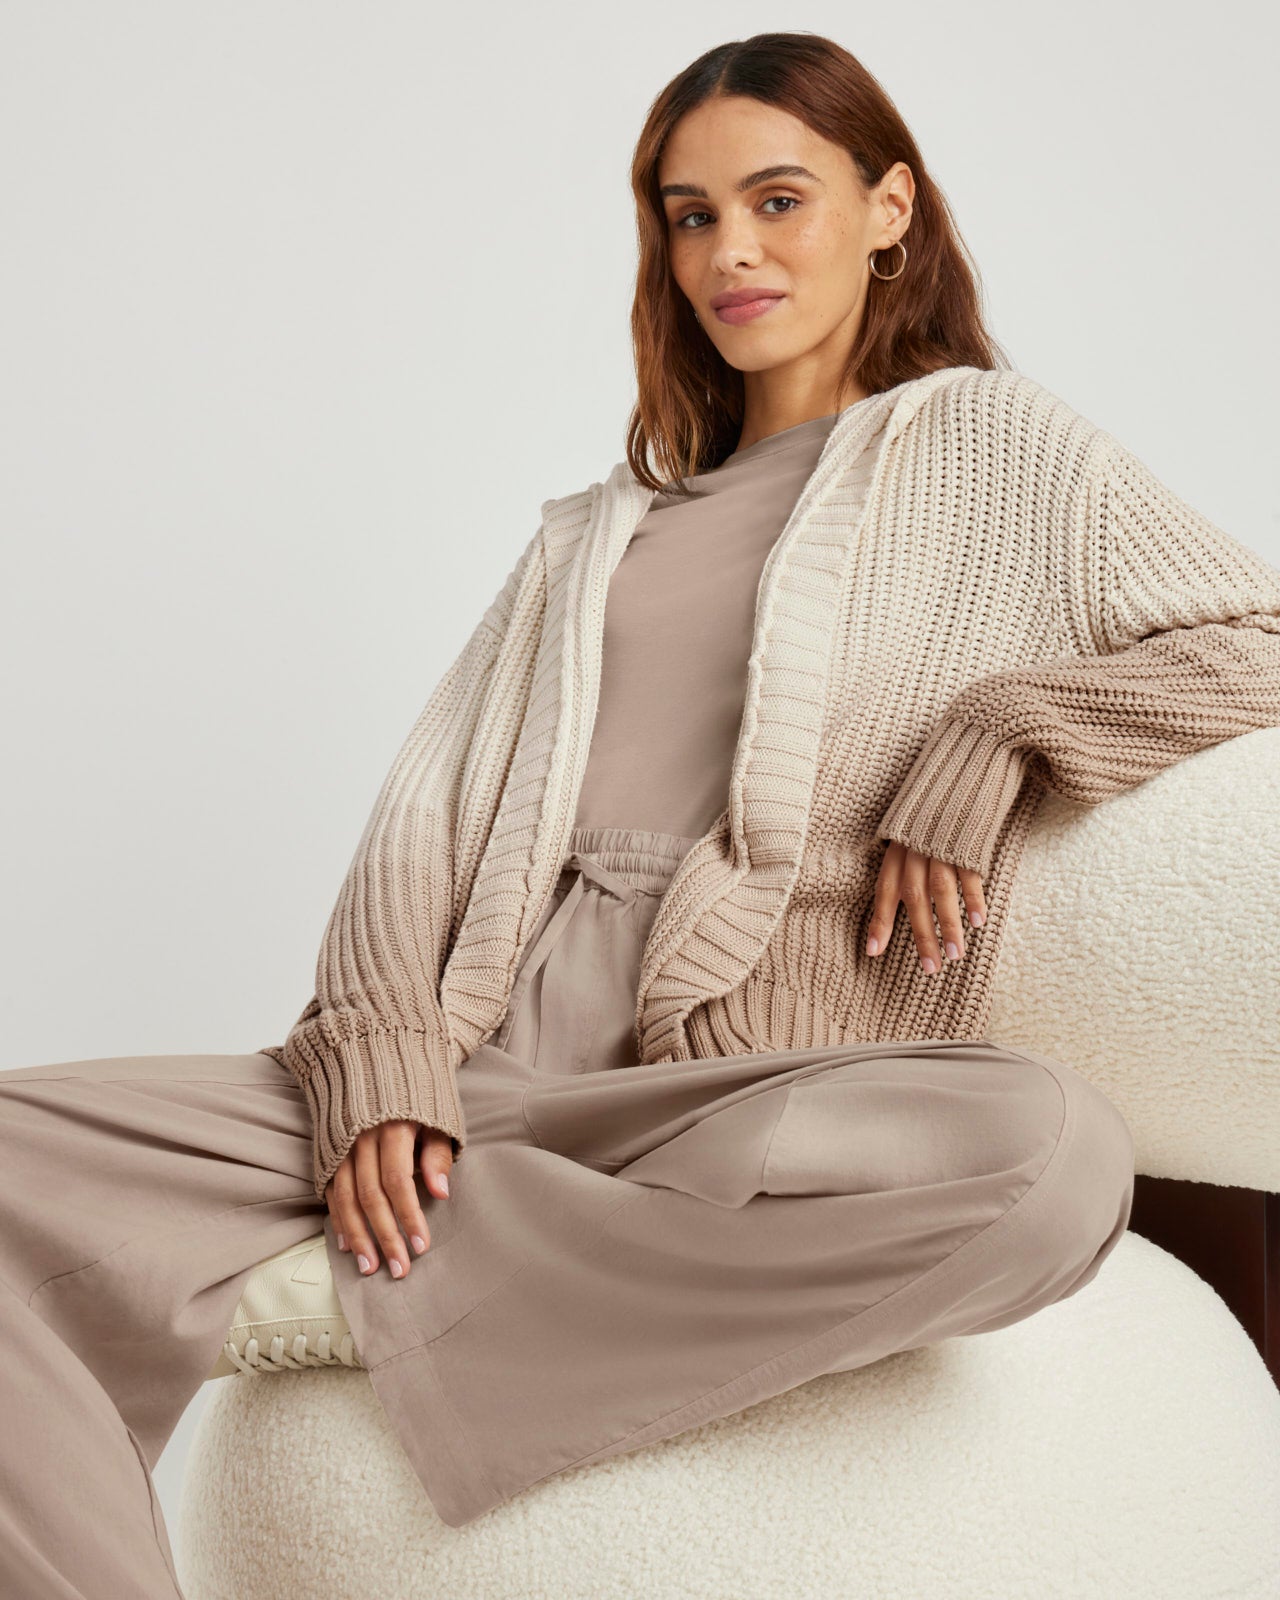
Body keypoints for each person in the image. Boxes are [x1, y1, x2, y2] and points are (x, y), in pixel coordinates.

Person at [6, 29, 1280, 1592]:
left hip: (712, 1105)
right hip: (473, 1073)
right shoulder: (590, 537)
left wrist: (1006, 731)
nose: (730, 251)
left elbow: (1259, 639)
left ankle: (382, 1299)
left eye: (778, 200)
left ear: (888, 209)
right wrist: (386, 1062)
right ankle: (422, 1274)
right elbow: (422, 827)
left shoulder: (997, 446)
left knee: (1055, 1156)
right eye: (691, 216)